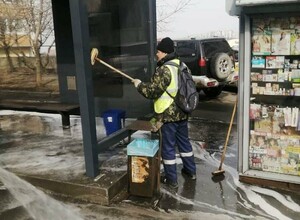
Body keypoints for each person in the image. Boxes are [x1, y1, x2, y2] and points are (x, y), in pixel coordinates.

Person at [131, 37, 196, 190]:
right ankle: (191, 171)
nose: (157, 55)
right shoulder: (183, 65)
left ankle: (172, 180)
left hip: (168, 115)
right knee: (184, 143)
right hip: (183, 112)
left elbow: (152, 91)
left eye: (159, 52)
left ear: (165, 52)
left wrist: (139, 85)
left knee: (168, 148)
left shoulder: (165, 69)